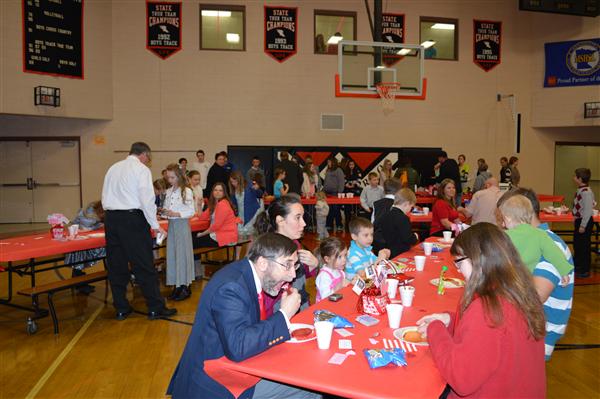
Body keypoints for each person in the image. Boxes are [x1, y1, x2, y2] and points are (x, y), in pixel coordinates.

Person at [167, 233, 321, 399]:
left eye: (295, 266)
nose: (292, 275)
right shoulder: (231, 287)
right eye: (287, 265)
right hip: (215, 381)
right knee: (311, 387)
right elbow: (238, 347)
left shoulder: (246, 273)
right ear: (262, 263)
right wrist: (284, 314)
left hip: (234, 364)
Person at [416, 223, 546, 398]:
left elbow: (461, 379)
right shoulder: (520, 293)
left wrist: (435, 329)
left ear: (477, 260)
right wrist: (450, 319)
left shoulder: (487, 309)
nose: (459, 270)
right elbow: (494, 337)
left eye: (459, 263)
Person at [101, 142, 175, 320]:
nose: (148, 162)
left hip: (111, 219)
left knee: (116, 265)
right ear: (144, 155)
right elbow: (146, 200)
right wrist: (155, 225)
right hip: (132, 219)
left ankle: (121, 307)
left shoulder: (113, 168)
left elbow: (104, 196)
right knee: (143, 264)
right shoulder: (141, 170)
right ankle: (155, 307)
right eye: (148, 158)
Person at [501, 188, 574, 360]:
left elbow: (536, 295)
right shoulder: (527, 238)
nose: (503, 224)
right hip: (528, 325)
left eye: (505, 218)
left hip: (539, 331)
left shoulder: (549, 243)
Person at [254, 195, 319, 315]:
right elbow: (264, 304)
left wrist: (312, 266)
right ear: (280, 221)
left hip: (301, 308)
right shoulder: (269, 254)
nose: (304, 223)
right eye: (297, 218)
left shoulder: (294, 243)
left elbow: (300, 275)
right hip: (281, 318)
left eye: (302, 217)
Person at [497, 194, 573, 277]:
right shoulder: (540, 234)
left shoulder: (504, 236)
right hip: (529, 280)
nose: (503, 224)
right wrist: (564, 272)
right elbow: (554, 254)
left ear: (508, 218)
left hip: (510, 280)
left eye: (503, 220)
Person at [162, 164, 195, 301]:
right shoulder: (168, 191)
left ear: (179, 176)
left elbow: (191, 211)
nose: (170, 180)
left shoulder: (186, 191)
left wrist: (176, 213)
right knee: (173, 255)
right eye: (168, 177)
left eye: (172, 177)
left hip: (181, 225)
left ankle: (184, 285)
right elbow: (166, 207)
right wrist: (164, 212)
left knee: (182, 255)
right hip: (172, 225)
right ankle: (176, 284)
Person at [64, 201, 106, 295]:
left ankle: (80, 281)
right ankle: (80, 283)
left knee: (82, 260)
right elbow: (85, 228)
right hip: (77, 237)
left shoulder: (95, 210)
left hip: (84, 237)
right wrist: (98, 226)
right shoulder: (91, 212)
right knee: (79, 260)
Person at [196, 182, 239, 248]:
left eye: (220, 190)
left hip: (226, 237)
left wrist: (202, 234)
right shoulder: (214, 204)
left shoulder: (222, 204)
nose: (217, 192)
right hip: (219, 234)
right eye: (215, 190)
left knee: (195, 241)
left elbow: (216, 226)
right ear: (212, 192)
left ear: (224, 193)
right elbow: (202, 217)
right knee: (194, 240)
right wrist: (199, 205)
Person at [378, 188, 419, 258]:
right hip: (400, 252)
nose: (410, 210)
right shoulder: (403, 218)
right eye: (411, 207)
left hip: (386, 251)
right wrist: (415, 236)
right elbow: (408, 238)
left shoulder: (385, 214)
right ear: (407, 204)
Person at [346, 217, 390, 281]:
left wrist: (384, 256)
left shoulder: (366, 249)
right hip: (353, 286)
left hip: (367, 281)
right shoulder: (352, 254)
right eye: (366, 235)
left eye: (371, 234)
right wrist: (379, 261)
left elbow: (376, 261)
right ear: (354, 236)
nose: (370, 238)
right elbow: (362, 274)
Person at [572, 167, 595, 278]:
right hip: (579, 219)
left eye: (575, 176)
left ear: (580, 179)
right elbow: (589, 204)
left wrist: (583, 225)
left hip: (584, 221)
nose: (573, 178)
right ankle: (579, 265)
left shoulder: (586, 192)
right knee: (578, 245)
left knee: (584, 246)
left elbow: (587, 211)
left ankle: (585, 269)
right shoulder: (581, 189)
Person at [229, 171, 264, 237]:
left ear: (240, 179)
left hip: (252, 213)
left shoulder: (249, 185)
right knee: (240, 234)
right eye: (231, 182)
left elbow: (260, 194)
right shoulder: (233, 190)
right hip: (241, 214)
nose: (233, 183)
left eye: (235, 181)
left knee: (250, 234)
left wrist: (257, 189)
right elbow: (233, 203)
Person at [315, 237, 348, 302]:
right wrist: (337, 288)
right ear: (327, 259)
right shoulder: (324, 276)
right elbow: (325, 298)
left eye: (345, 255)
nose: (344, 260)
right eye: (340, 257)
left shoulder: (340, 271)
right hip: (325, 308)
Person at [323, 157, 345, 232]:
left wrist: (340, 192)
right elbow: (326, 181)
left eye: (329, 162)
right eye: (328, 162)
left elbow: (341, 182)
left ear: (333, 162)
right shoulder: (328, 170)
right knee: (329, 210)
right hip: (327, 193)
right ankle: (329, 225)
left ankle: (339, 225)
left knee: (336, 209)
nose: (328, 164)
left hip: (335, 194)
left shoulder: (339, 170)